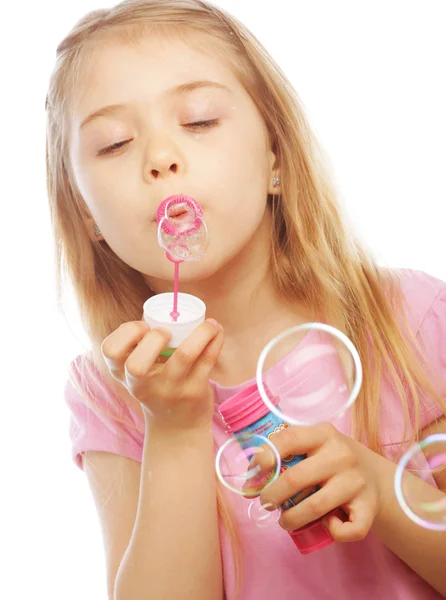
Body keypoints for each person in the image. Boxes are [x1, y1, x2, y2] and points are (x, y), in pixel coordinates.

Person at [45, 1, 446, 598]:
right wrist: (175, 428)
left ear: (275, 157)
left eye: (200, 120)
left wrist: (378, 486)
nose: (161, 159)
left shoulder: (408, 319)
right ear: (86, 213)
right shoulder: (112, 393)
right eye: (115, 143)